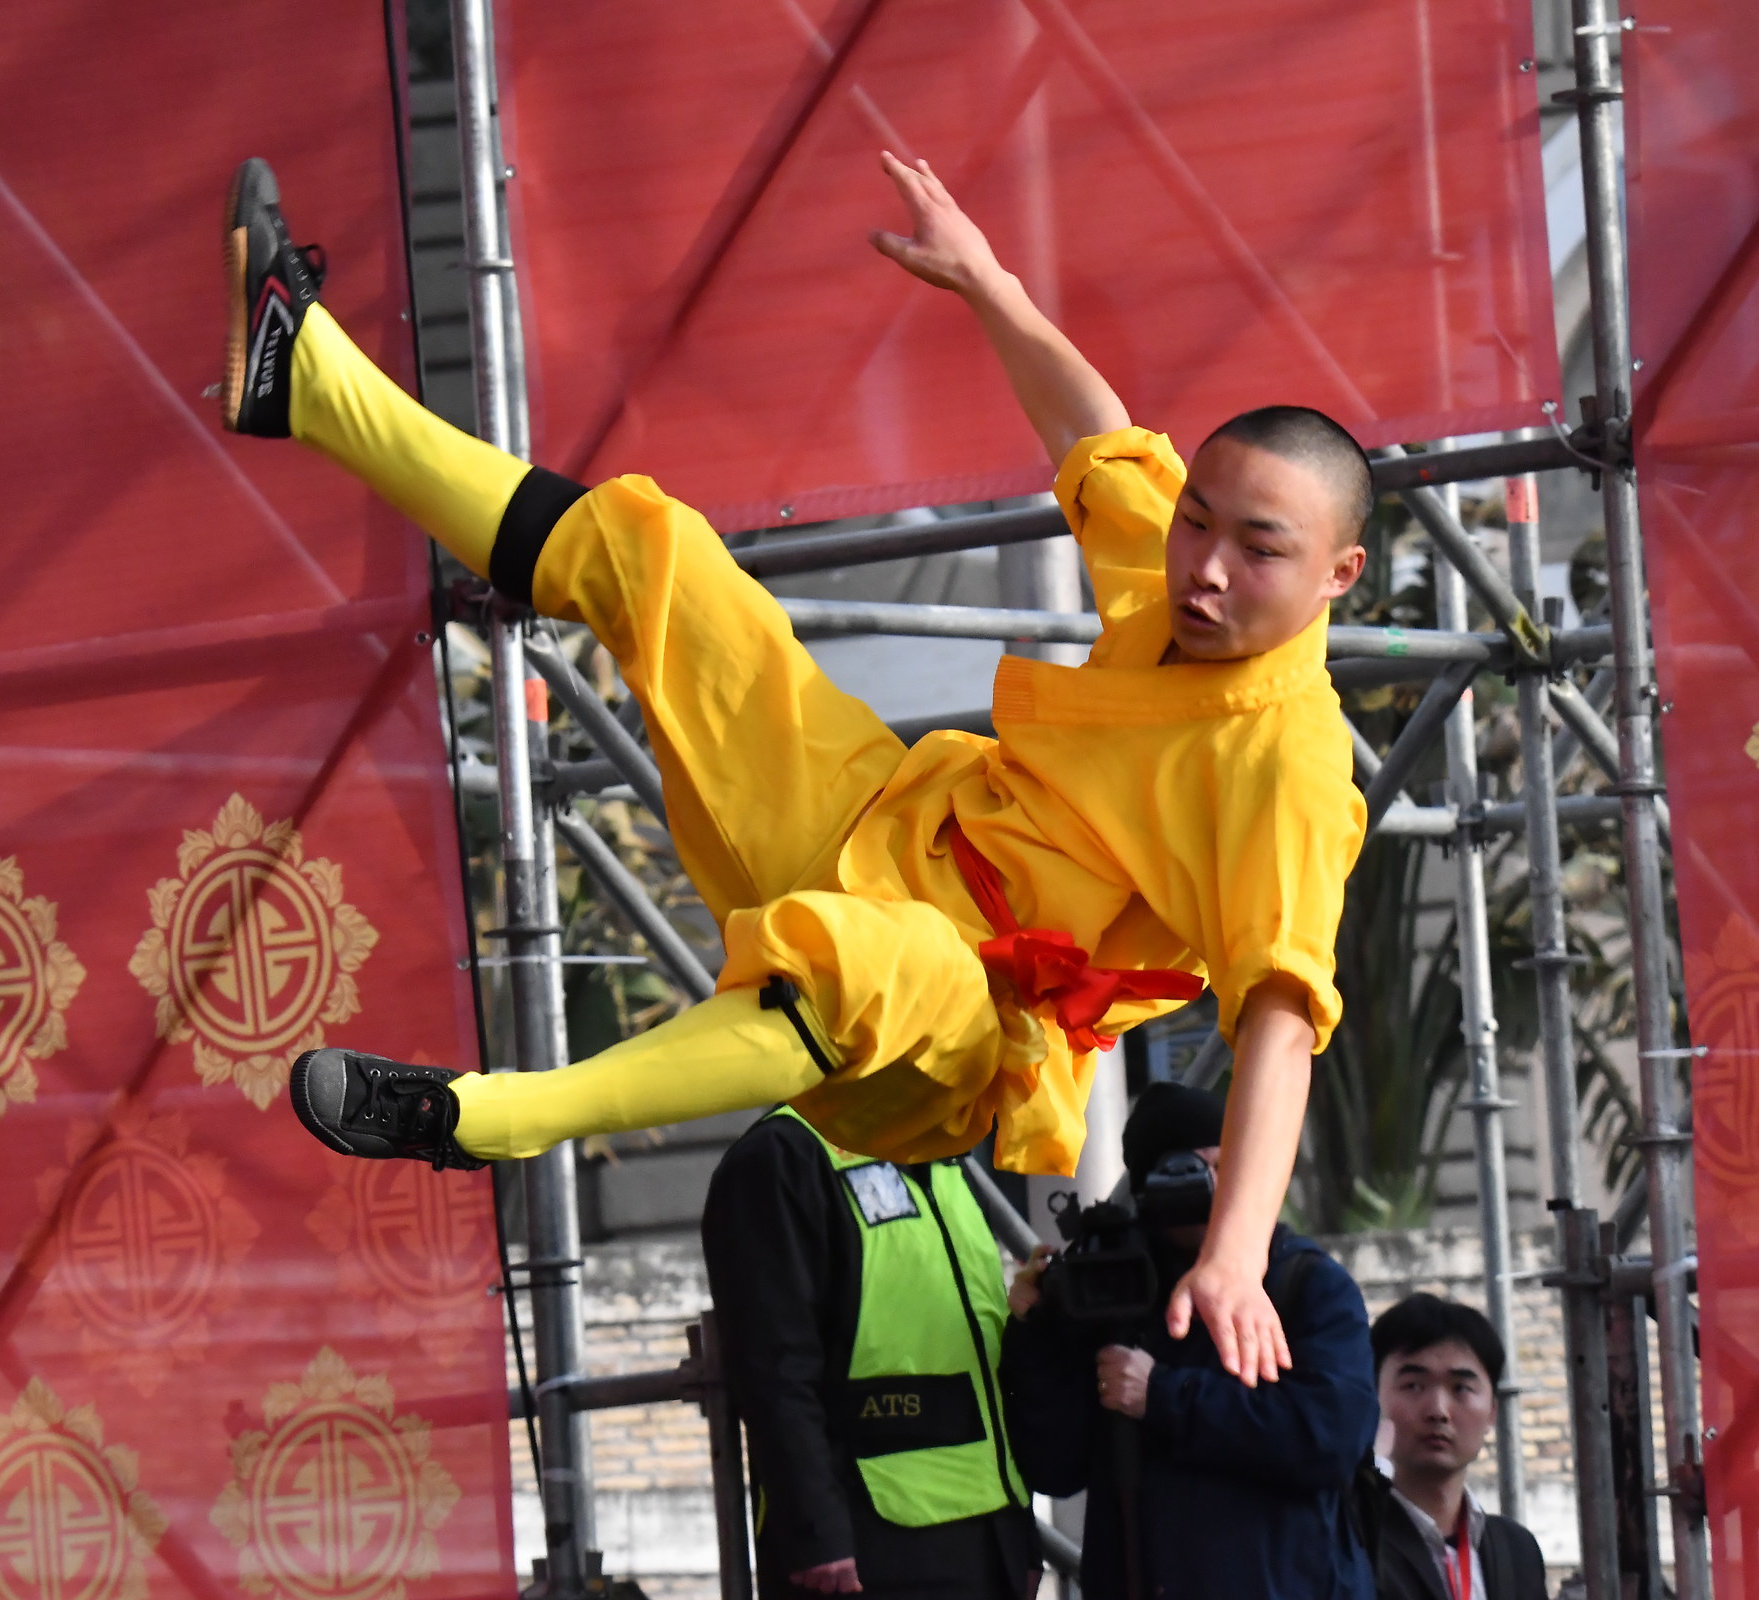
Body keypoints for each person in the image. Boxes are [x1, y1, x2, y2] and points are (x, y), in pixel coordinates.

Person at [234, 148, 1370, 1378]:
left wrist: (1239, 1250)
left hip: (957, 1017)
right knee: (653, 550)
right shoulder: (1186, 568)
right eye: (1198, 518)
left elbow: (1279, 1017)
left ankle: (482, 1117)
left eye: (1256, 549)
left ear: (1334, 577)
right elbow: (1100, 440)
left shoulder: (1292, 765)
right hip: (876, 816)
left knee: (875, 959)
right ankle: (307, 382)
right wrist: (989, 281)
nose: (1201, 564)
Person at [999, 1083, 1379, 1599]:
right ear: (1151, 1181)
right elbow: (1054, 1468)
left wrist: (1162, 1396)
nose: (1219, 1186)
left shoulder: (1303, 1285)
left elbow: (1330, 1438)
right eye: (1194, 1169)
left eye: (1230, 1166)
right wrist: (1035, 1334)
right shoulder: (1108, 1288)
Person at [701, 1106, 1041, 1599]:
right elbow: (774, 1370)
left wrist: (1018, 1534)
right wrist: (815, 1533)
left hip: (985, 1540)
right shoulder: (783, 1155)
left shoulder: (941, 1149)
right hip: (868, 1549)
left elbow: (981, 1361)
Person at [1356, 1294, 1548, 1600]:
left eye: (1461, 1388)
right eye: (1413, 1386)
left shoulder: (1516, 1549)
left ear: (1492, 1412)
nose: (1438, 1411)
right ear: (1372, 1397)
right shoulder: (1352, 1540)